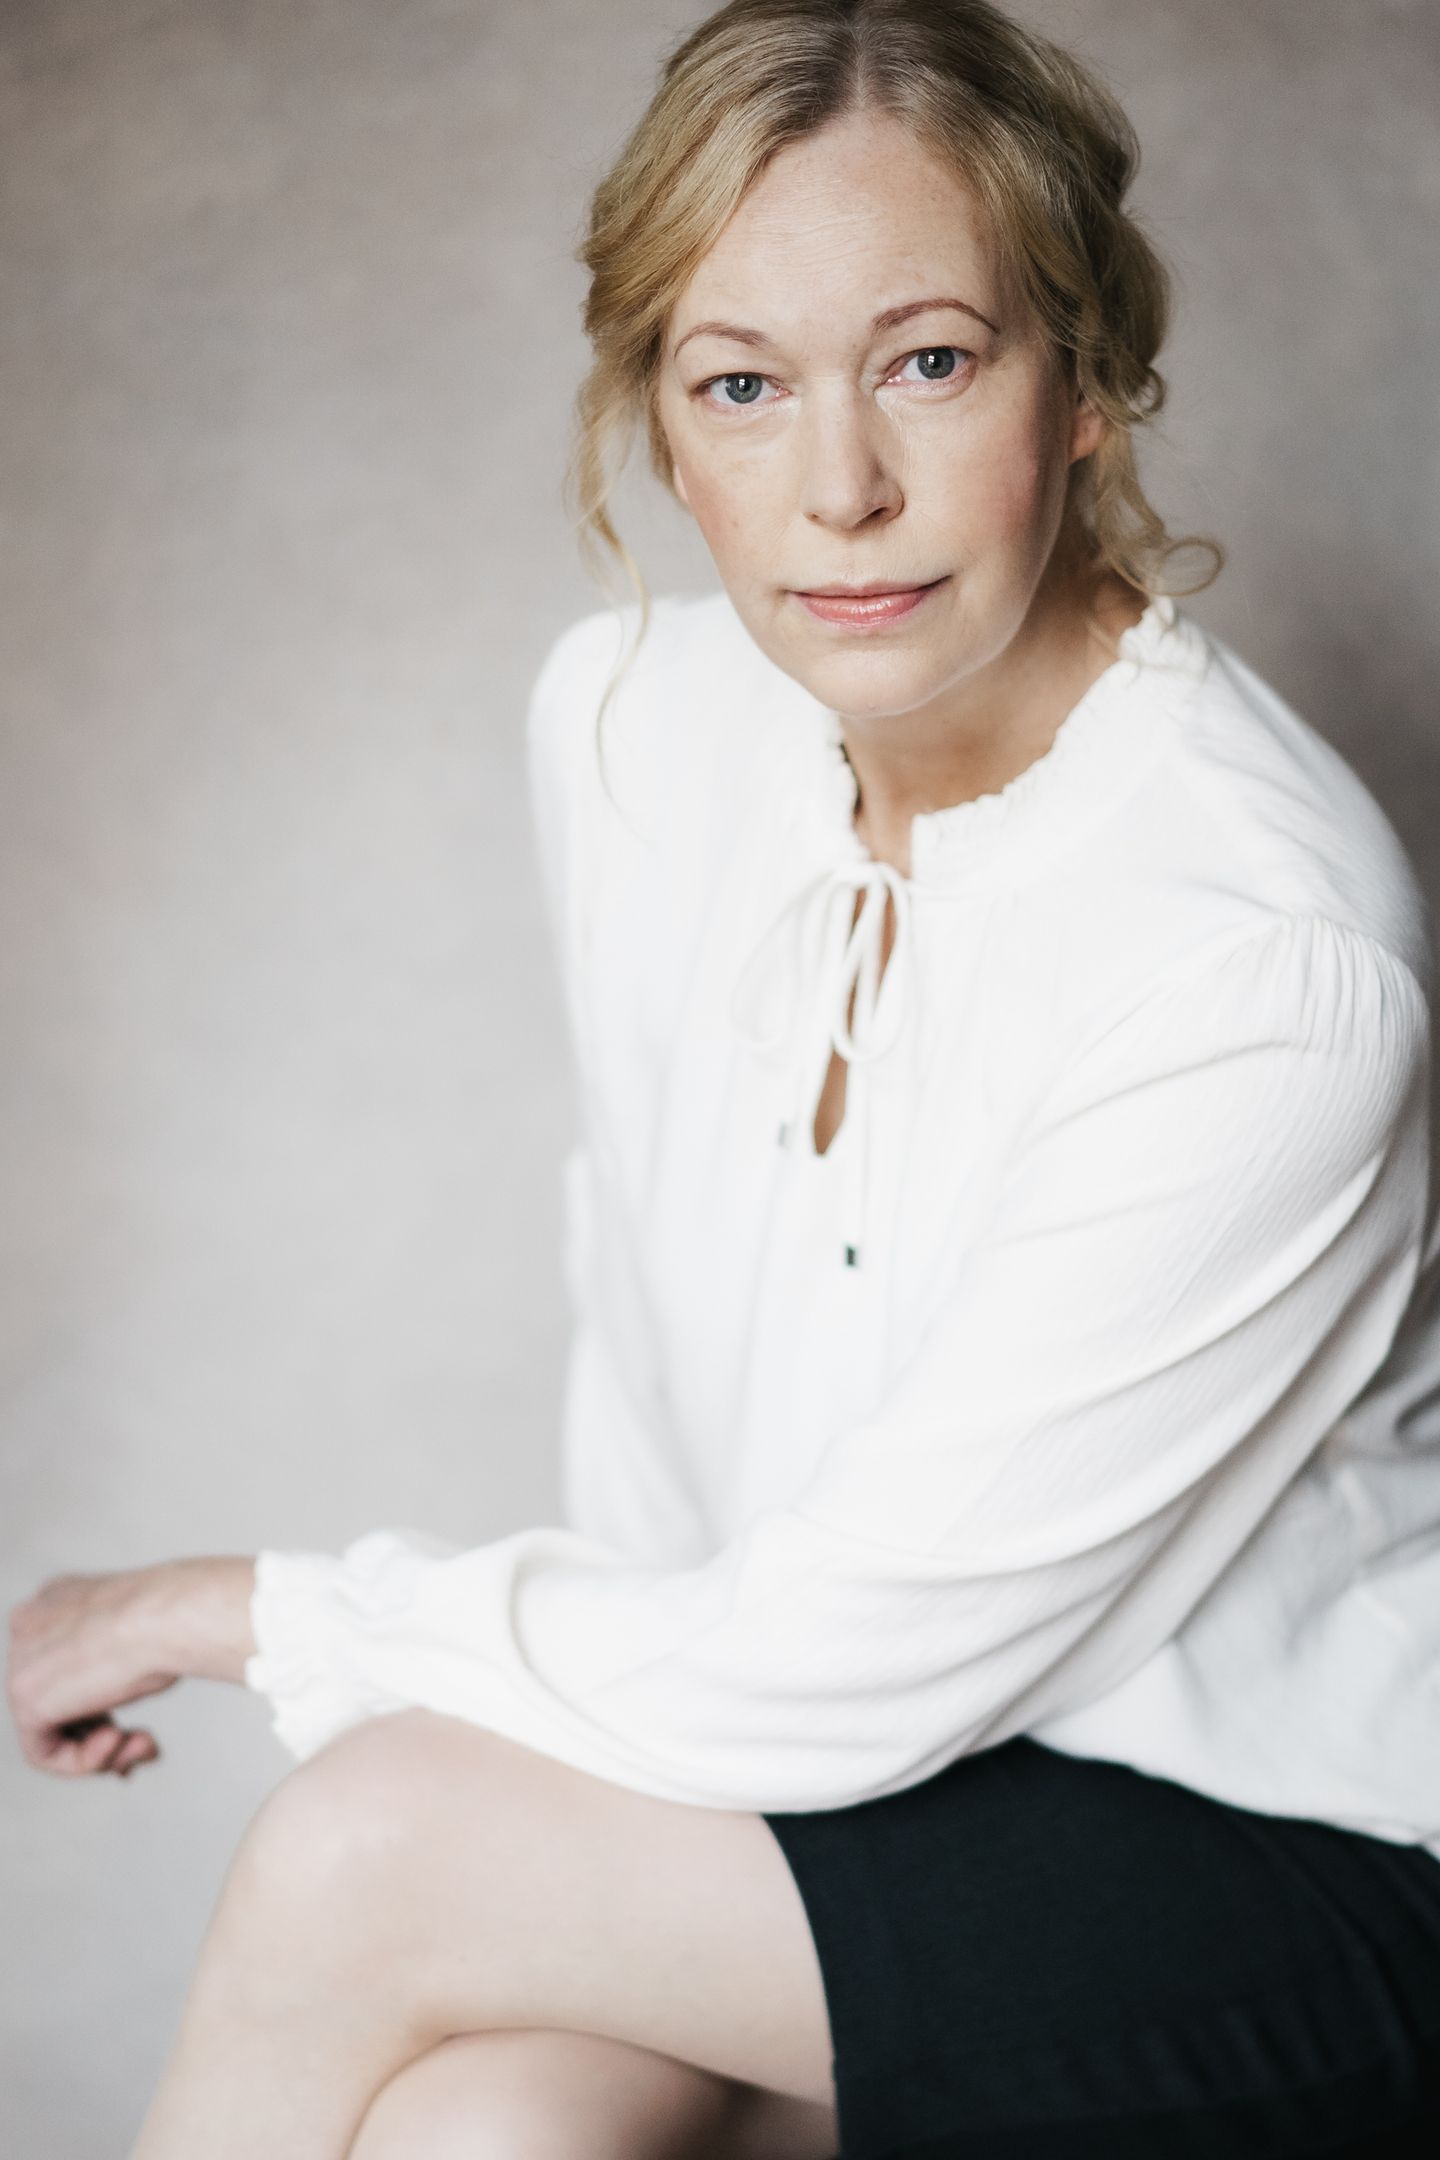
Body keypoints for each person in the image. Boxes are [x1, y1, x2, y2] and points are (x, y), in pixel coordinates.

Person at [9, 2, 1440, 2154]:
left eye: (929, 361)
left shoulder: (1265, 958)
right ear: (665, 432)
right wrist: (616, 1766)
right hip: (861, 1771)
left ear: (1083, 385)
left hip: (1286, 1850)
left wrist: (252, 1613)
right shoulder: (630, 731)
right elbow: (666, 1399)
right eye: (744, 385)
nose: (839, 488)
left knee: (365, 1846)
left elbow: (845, 1656)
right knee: (488, 2128)